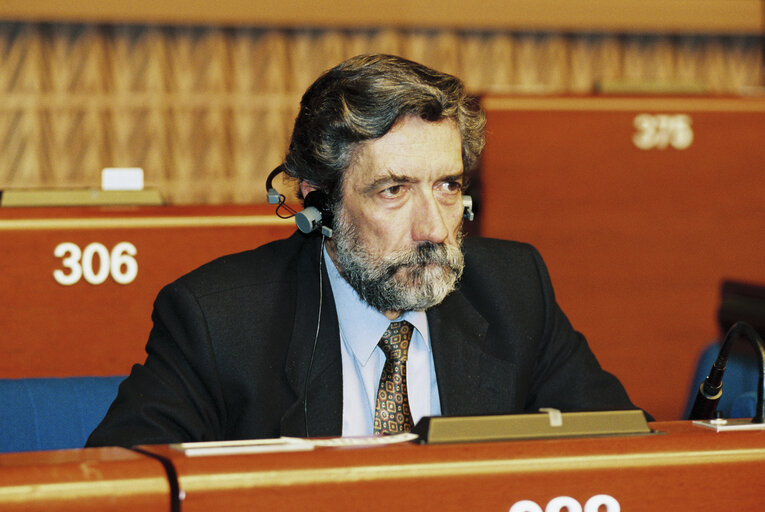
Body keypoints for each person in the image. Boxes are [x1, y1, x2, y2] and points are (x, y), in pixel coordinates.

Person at [87, 54, 640, 447]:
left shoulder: (514, 291)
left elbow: (628, 454)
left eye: (447, 186)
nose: (433, 229)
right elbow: (123, 484)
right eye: (393, 190)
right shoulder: (219, 319)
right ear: (319, 202)